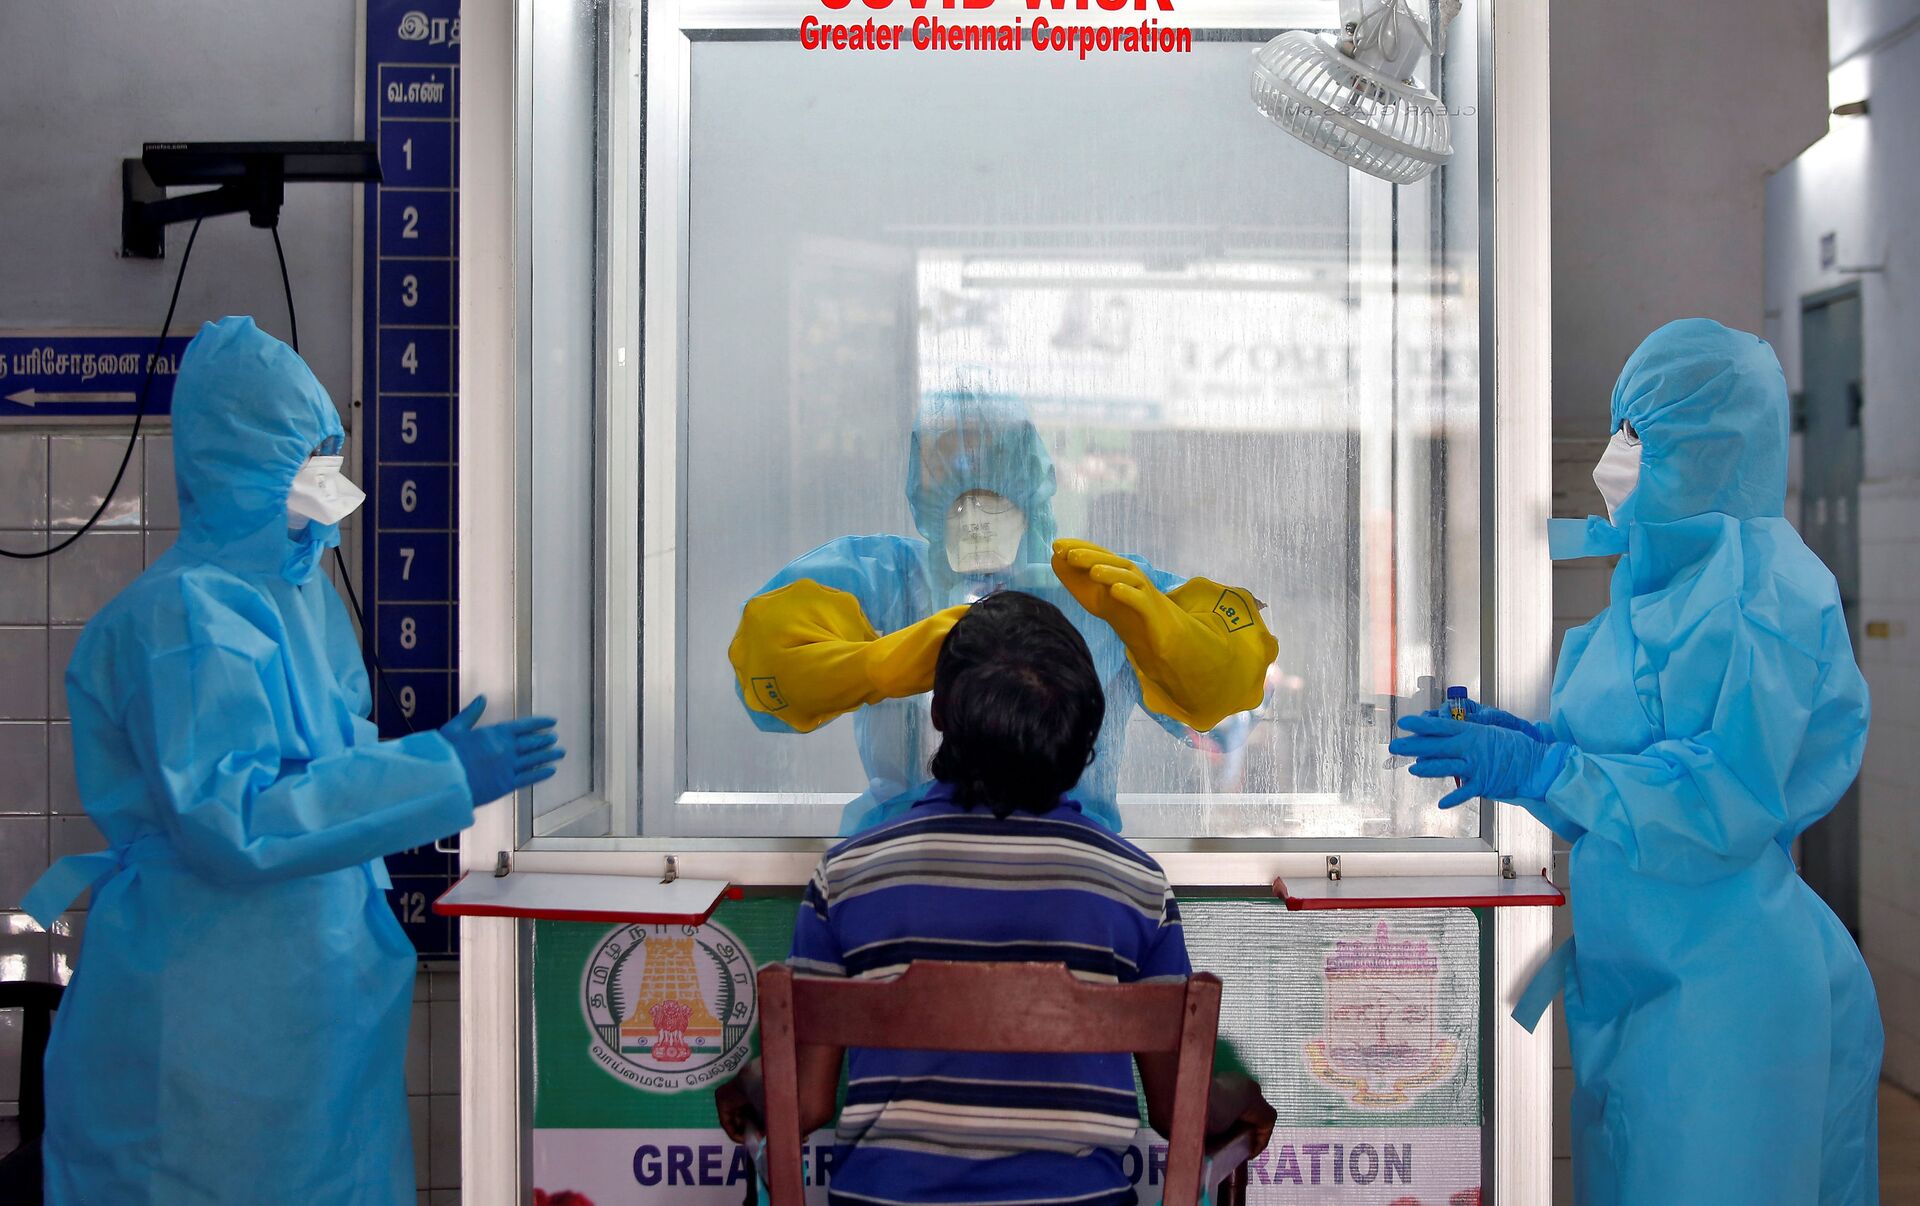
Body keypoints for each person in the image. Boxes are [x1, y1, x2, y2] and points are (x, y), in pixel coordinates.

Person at [20, 316, 564, 1204]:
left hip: (315, 1009)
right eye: (304, 462)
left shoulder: (294, 601)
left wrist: (420, 760)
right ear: (239, 466)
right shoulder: (186, 615)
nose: (326, 486)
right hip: (208, 1018)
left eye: (326, 458)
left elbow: (318, 765)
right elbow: (233, 820)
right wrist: (437, 774)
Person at [1390, 319, 1879, 1204]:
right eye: (1621, 426)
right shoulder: (1651, 585)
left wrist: (1547, 770)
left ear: (1709, 450)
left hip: (1732, 1001)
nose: (1614, 457)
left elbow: (1722, 800)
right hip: (1639, 986)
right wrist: (1540, 753)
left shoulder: (1771, 593)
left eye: (1637, 434)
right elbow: (1622, 790)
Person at [716, 591, 1275, 1203]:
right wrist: (1242, 1098)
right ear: (1086, 731)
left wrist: (746, 1085)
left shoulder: (848, 877)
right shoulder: (1135, 886)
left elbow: (801, 1102)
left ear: (938, 712)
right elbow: (1180, 1111)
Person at [726, 391, 1278, 833]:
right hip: (965, 865)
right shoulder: (881, 580)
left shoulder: (1104, 592)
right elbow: (767, 670)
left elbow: (1232, 715)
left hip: (984, 868)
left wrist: (1172, 638)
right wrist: (872, 665)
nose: (974, 515)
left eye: (993, 482)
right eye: (950, 481)